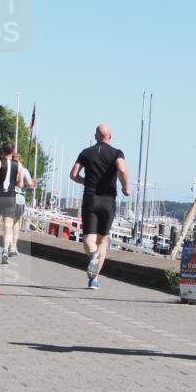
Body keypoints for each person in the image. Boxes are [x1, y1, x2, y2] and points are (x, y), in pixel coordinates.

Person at [70, 124, 131, 289]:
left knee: (88, 239)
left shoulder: (86, 152)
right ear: (110, 136)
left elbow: (73, 175)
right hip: (108, 200)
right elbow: (122, 170)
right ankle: (94, 280)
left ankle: (93, 254)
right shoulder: (117, 153)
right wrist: (126, 188)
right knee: (102, 240)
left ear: (96, 136)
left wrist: (86, 181)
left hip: (90, 198)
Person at [0, 142, 22, 264]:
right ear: (13, 151)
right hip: (10, 195)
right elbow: (20, 183)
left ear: (2, 151)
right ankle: (5, 251)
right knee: (8, 225)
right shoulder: (18, 164)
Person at [9, 152, 36, 256]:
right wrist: (29, 182)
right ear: (20, 160)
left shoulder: (8, 169)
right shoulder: (24, 170)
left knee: (8, 222)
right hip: (19, 199)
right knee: (16, 223)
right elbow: (29, 183)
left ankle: (8, 244)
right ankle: (14, 246)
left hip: (8, 197)